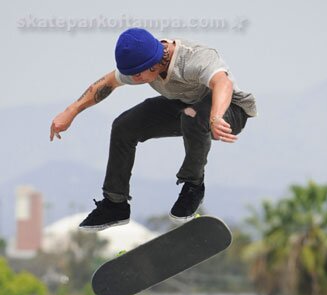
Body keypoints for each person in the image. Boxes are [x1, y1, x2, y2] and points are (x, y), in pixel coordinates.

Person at [50, 28, 257, 231]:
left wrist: (216, 116)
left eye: (137, 76)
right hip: (185, 106)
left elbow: (223, 83)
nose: (134, 80)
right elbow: (108, 83)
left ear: (153, 64)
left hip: (229, 110)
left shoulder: (194, 58)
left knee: (192, 116)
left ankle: (193, 186)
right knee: (124, 126)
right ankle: (115, 204)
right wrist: (71, 111)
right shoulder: (142, 64)